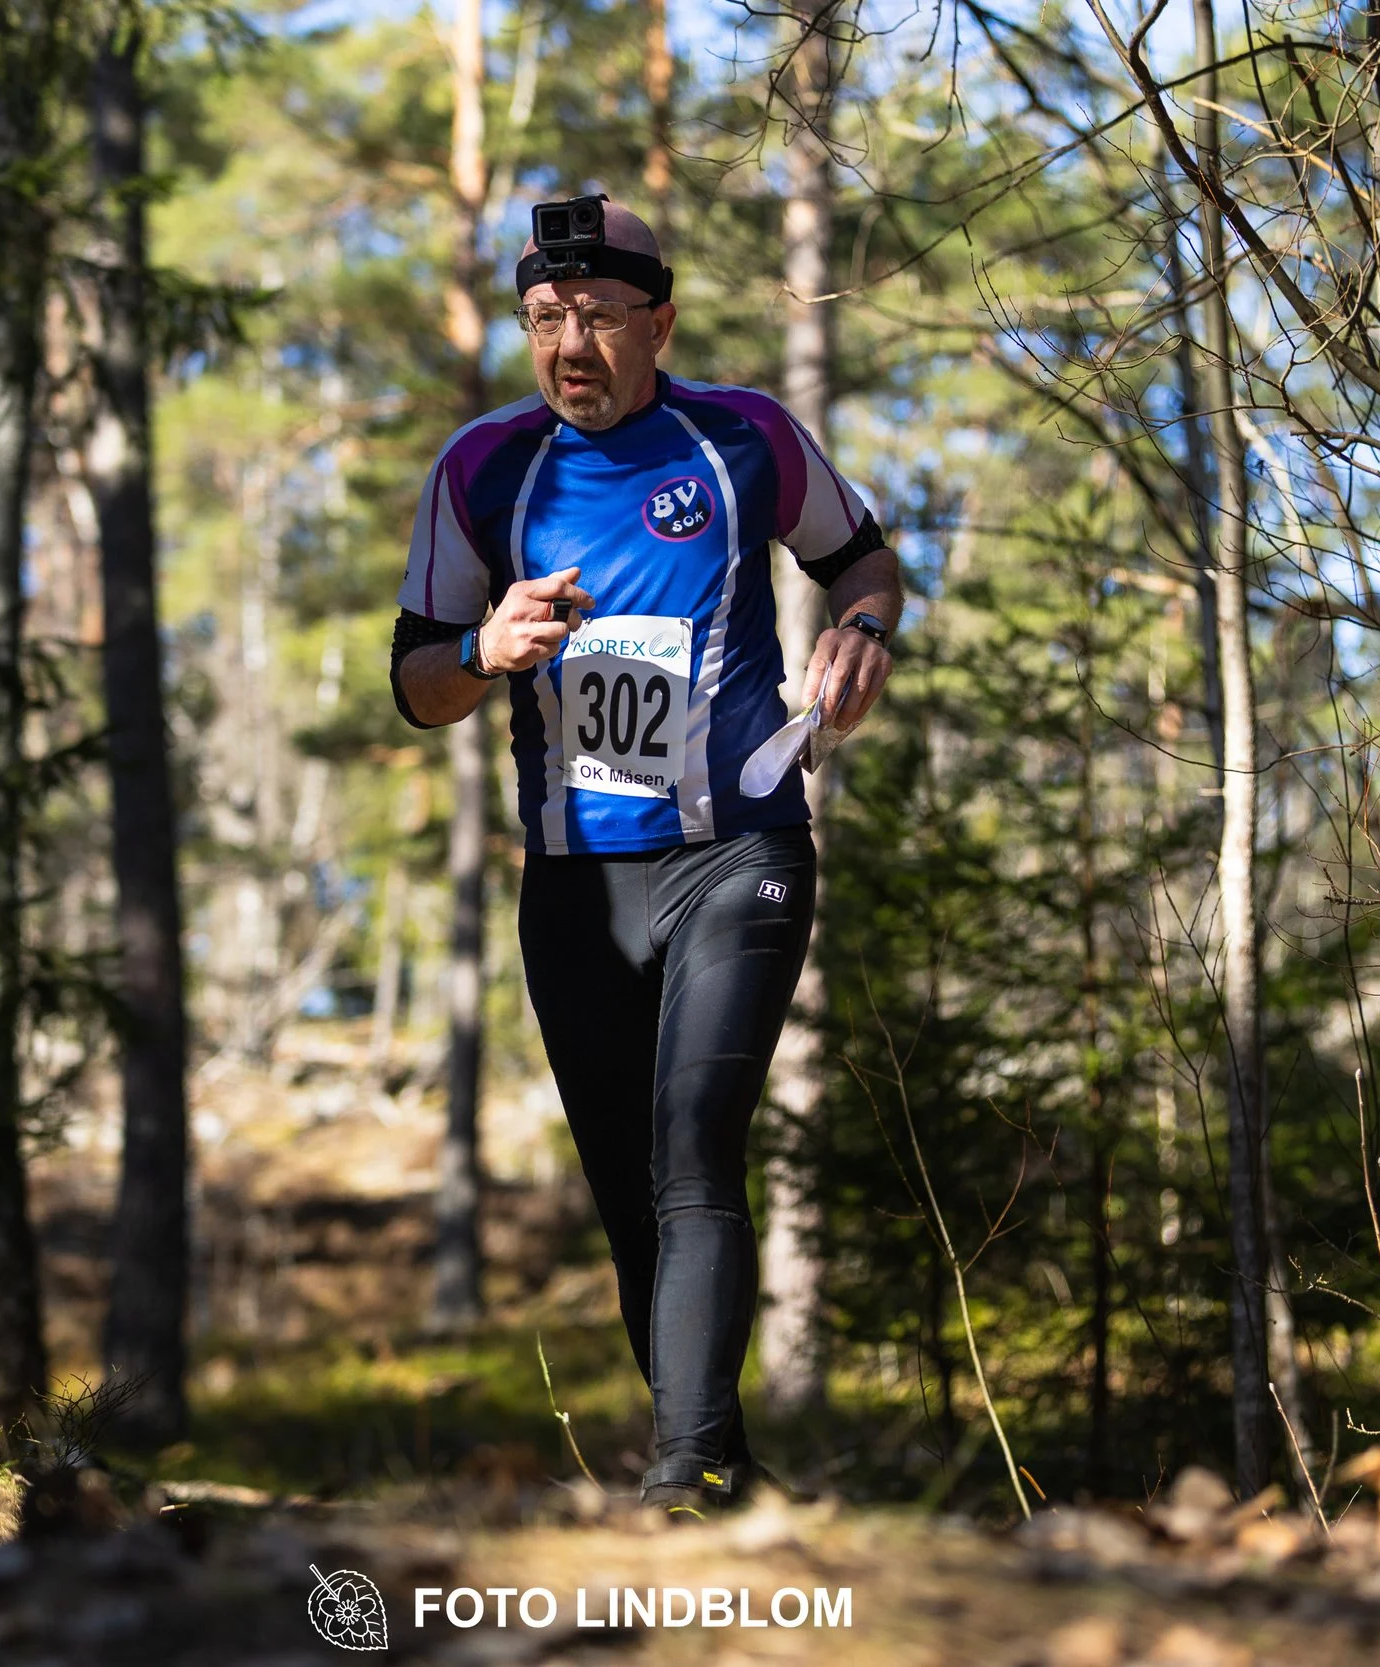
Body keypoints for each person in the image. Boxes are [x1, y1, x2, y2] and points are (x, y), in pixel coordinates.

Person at [390, 194, 901, 1515]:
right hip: (576, 886)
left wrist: (862, 636)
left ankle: (687, 1469)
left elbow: (864, 563)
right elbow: (415, 683)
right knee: (633, 1197)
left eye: (600, 318)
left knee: (693, 1145)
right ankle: (723, 1466)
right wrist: (483, 650)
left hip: (739, 850)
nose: (570, 346)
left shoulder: (745, 437)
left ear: (659, 323)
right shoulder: (481, 468)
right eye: (544, 318)